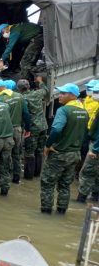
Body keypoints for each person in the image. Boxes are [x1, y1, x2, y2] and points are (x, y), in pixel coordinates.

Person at [41, 84, 89, 214]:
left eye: (63, 93)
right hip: (74, 155)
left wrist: (47, 145)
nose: (59, 95)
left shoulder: (63, 110)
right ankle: (61, 212)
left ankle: (46, 213)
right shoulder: (84, 111)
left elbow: (56, 129)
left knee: (47, 183)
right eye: (60, 93)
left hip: (59, 153)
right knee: (65, 185)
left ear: (73, 95)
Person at [0, 79, 31, 184]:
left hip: (5, 130)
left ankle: (1, 177)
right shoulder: (20, 97)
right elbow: (26, 114)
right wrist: (28, 129)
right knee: (16, 154)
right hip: (17, 129)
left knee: (4, 154)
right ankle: (16, 177)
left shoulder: (0, 98)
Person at [18, 77, 49, 179]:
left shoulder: (22, 98)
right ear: (29, 87)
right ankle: (37, 173)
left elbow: (24, 114)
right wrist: (40, 82)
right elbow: (45, 90)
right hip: (43, 126)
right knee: (39, 150)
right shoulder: (37, 94)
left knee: (29, 152)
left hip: (32, 128)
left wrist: (26, 129)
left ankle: (28, 176)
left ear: (19, 89)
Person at [77, 83, 99, 203]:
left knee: (87, 172)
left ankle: (82, 198)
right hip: (92, 137)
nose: (92, 94)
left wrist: (95, 149)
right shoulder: (89, 101)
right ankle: (95, 196)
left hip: (95, 144)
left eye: (96, 92)